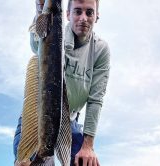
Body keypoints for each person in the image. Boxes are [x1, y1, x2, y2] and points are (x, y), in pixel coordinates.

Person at [13, 0, 110, 165]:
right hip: (36, 118)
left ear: (97, 16)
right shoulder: (55, 33)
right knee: (26, 162)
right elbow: (36, 43)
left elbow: (96, 99)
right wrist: (39, 13)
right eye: (77, 11)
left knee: (86, 162)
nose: (83, 18)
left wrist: (88, 146)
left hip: (69, 121)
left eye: (89, 12)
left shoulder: (100, 50)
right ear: (67, 14)